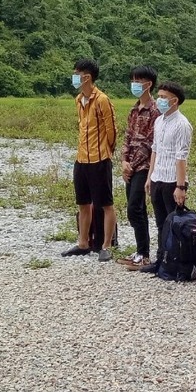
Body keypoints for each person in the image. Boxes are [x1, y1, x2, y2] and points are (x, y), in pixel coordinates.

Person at [61, 59, 118, 262]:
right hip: (81, 158)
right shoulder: (79, 100)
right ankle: (83, 242)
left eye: (77, 73)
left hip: (99, 158)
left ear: (87, 77)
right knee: (83, 202)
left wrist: (106, 151)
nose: (75, 76)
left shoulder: (102, 100)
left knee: (106, 204)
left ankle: (106, 245)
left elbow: (112, 130)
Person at [142, 82, 193, 271]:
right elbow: (155, 150)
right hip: (158, 177)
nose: (160, 100)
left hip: (173, 180)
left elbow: (181, 158)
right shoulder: (159, 121)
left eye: (164, 97)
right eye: (159, 96)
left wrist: (181, 187)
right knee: (160, 222)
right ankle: (160, 260)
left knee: (174, 223)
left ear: (175, 100)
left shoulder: (182, 124)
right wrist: (149, 176)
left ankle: (175, 261)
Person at [118, 66, 161, 270]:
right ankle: (140, 250)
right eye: (133, 80)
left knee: (135, 207)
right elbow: (128, 137)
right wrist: (123, 161)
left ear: (148, 84)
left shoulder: (155, 110)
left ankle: (144, 253)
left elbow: (151, 143)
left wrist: (132, 165)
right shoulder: (134, 109)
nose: (134, 84)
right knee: (135, 208)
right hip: (131, 166)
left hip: (144, 166)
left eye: (138, 81)